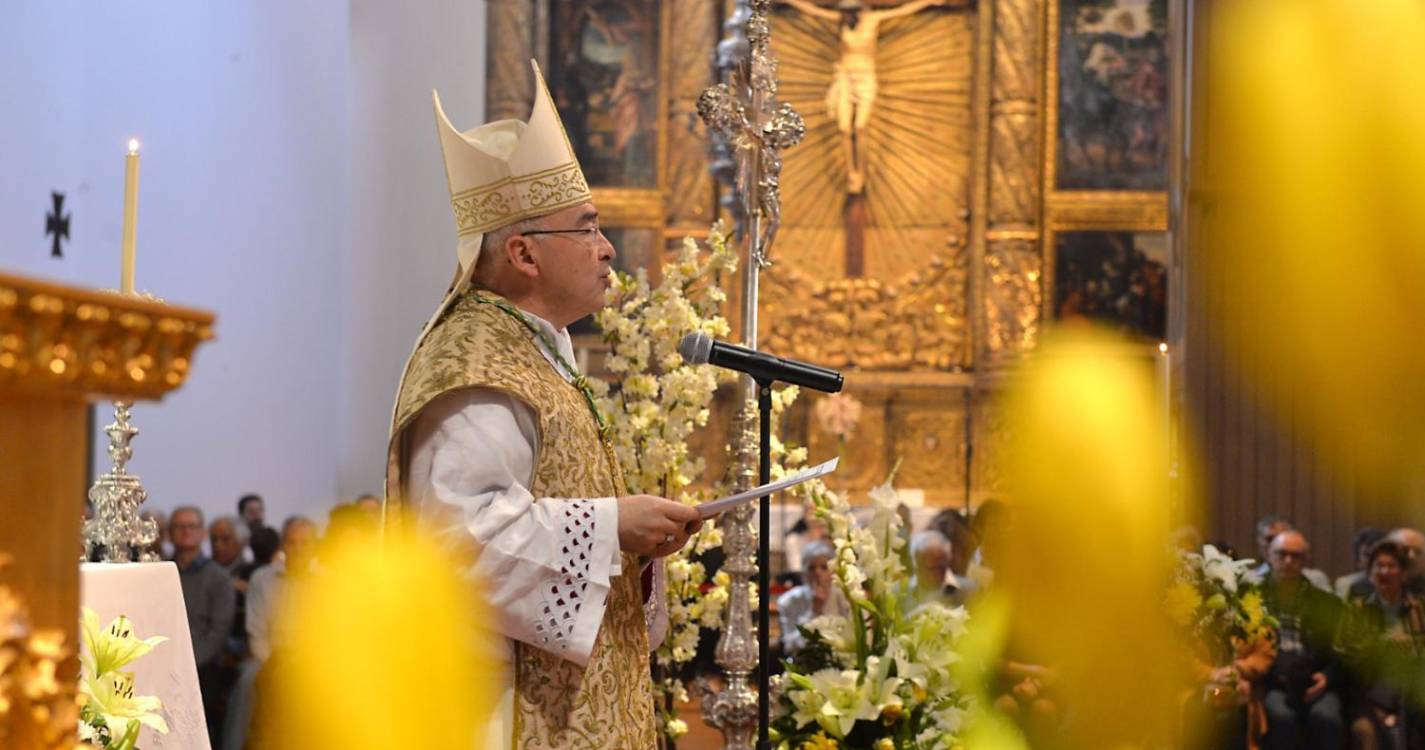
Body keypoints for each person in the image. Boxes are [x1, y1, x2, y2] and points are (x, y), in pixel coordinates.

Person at [384, 60, 701, 750]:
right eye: (586, 228)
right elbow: (455, 542)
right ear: (524, 254)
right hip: (499, 712)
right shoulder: (474, 361)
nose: (607, 248)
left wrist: (636, 547)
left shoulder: (538, 352)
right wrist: (614, 524)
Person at [777, 0, 954, 194]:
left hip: (865, 79)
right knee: (844, 128)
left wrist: (928, 2)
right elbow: (814, 11)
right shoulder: (842, 21)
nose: (851, 14)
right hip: (845, 78)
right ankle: (851, 172)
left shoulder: (873, 20)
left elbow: (901, 11)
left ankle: (861, 170)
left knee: (860, 126)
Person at [1260, 530, 1346, 750]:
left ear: (1306, 560)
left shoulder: (1327, 604)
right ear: (1269, 555)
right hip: (1273, 681)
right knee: (1280, 716)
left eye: (1295, 556)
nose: (1288, 561)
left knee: (1327, 717)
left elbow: (1343, 650)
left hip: (1316, 681)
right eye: (1281, 554)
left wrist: (1327, 678)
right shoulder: (1254, 597)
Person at [1338, 540, 1425, 750]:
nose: (1384, 571)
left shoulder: (1420, 609)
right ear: (1369, 573)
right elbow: (1345, 658)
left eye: (1392, 566)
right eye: (1378, 565)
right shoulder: (1356, 610)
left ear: (1404, 574)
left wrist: (1413, 652)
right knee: (1365, 731)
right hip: (1368, 694)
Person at [170, 505, 237, 747]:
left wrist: (188, 664)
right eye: (179, 526)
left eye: (192, 526)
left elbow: (218, 631)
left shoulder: (218, 577)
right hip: (165, 658)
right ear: (169, 533)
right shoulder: (161, 572)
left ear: (203, 533)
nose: (186, 531)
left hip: (204, 665)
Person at [777, 541, 847, 655]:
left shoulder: (844, 598)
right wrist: (815, 610)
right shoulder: (788, 601)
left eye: (824, 567)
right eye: (812, 568)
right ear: (804, 572)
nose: (817, 573)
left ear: (833, 571)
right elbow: (790, 647)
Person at [1336, 528, 1387, 600]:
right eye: (1368, 555)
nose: (1374, 560)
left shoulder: (1400, 582)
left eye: (1378, 554)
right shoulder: (1349, 585)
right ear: (1358, 561)